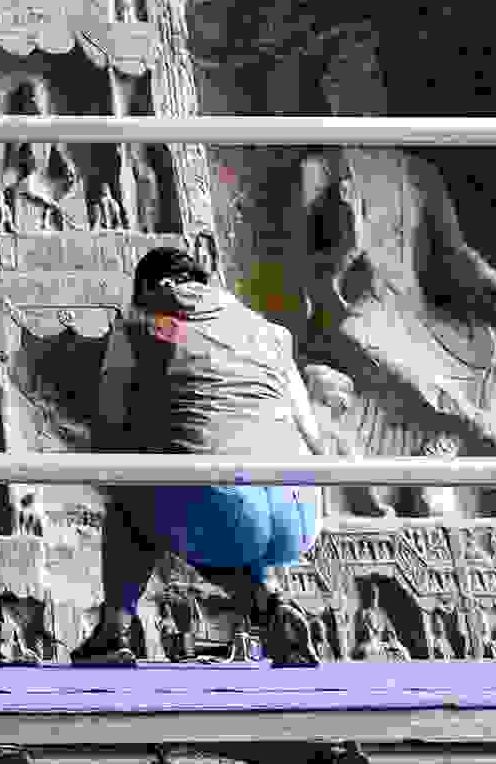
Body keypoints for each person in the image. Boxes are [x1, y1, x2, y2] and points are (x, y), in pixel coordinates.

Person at [75, 245, 326, 667]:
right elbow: (314, 438)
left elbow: (111, 422)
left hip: (220, 503)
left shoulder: (143, 325)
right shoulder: (268, 332)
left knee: (134, 496)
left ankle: (113, 631)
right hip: (299, 513)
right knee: (205, 515)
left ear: (160, 285)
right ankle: (269, 607)